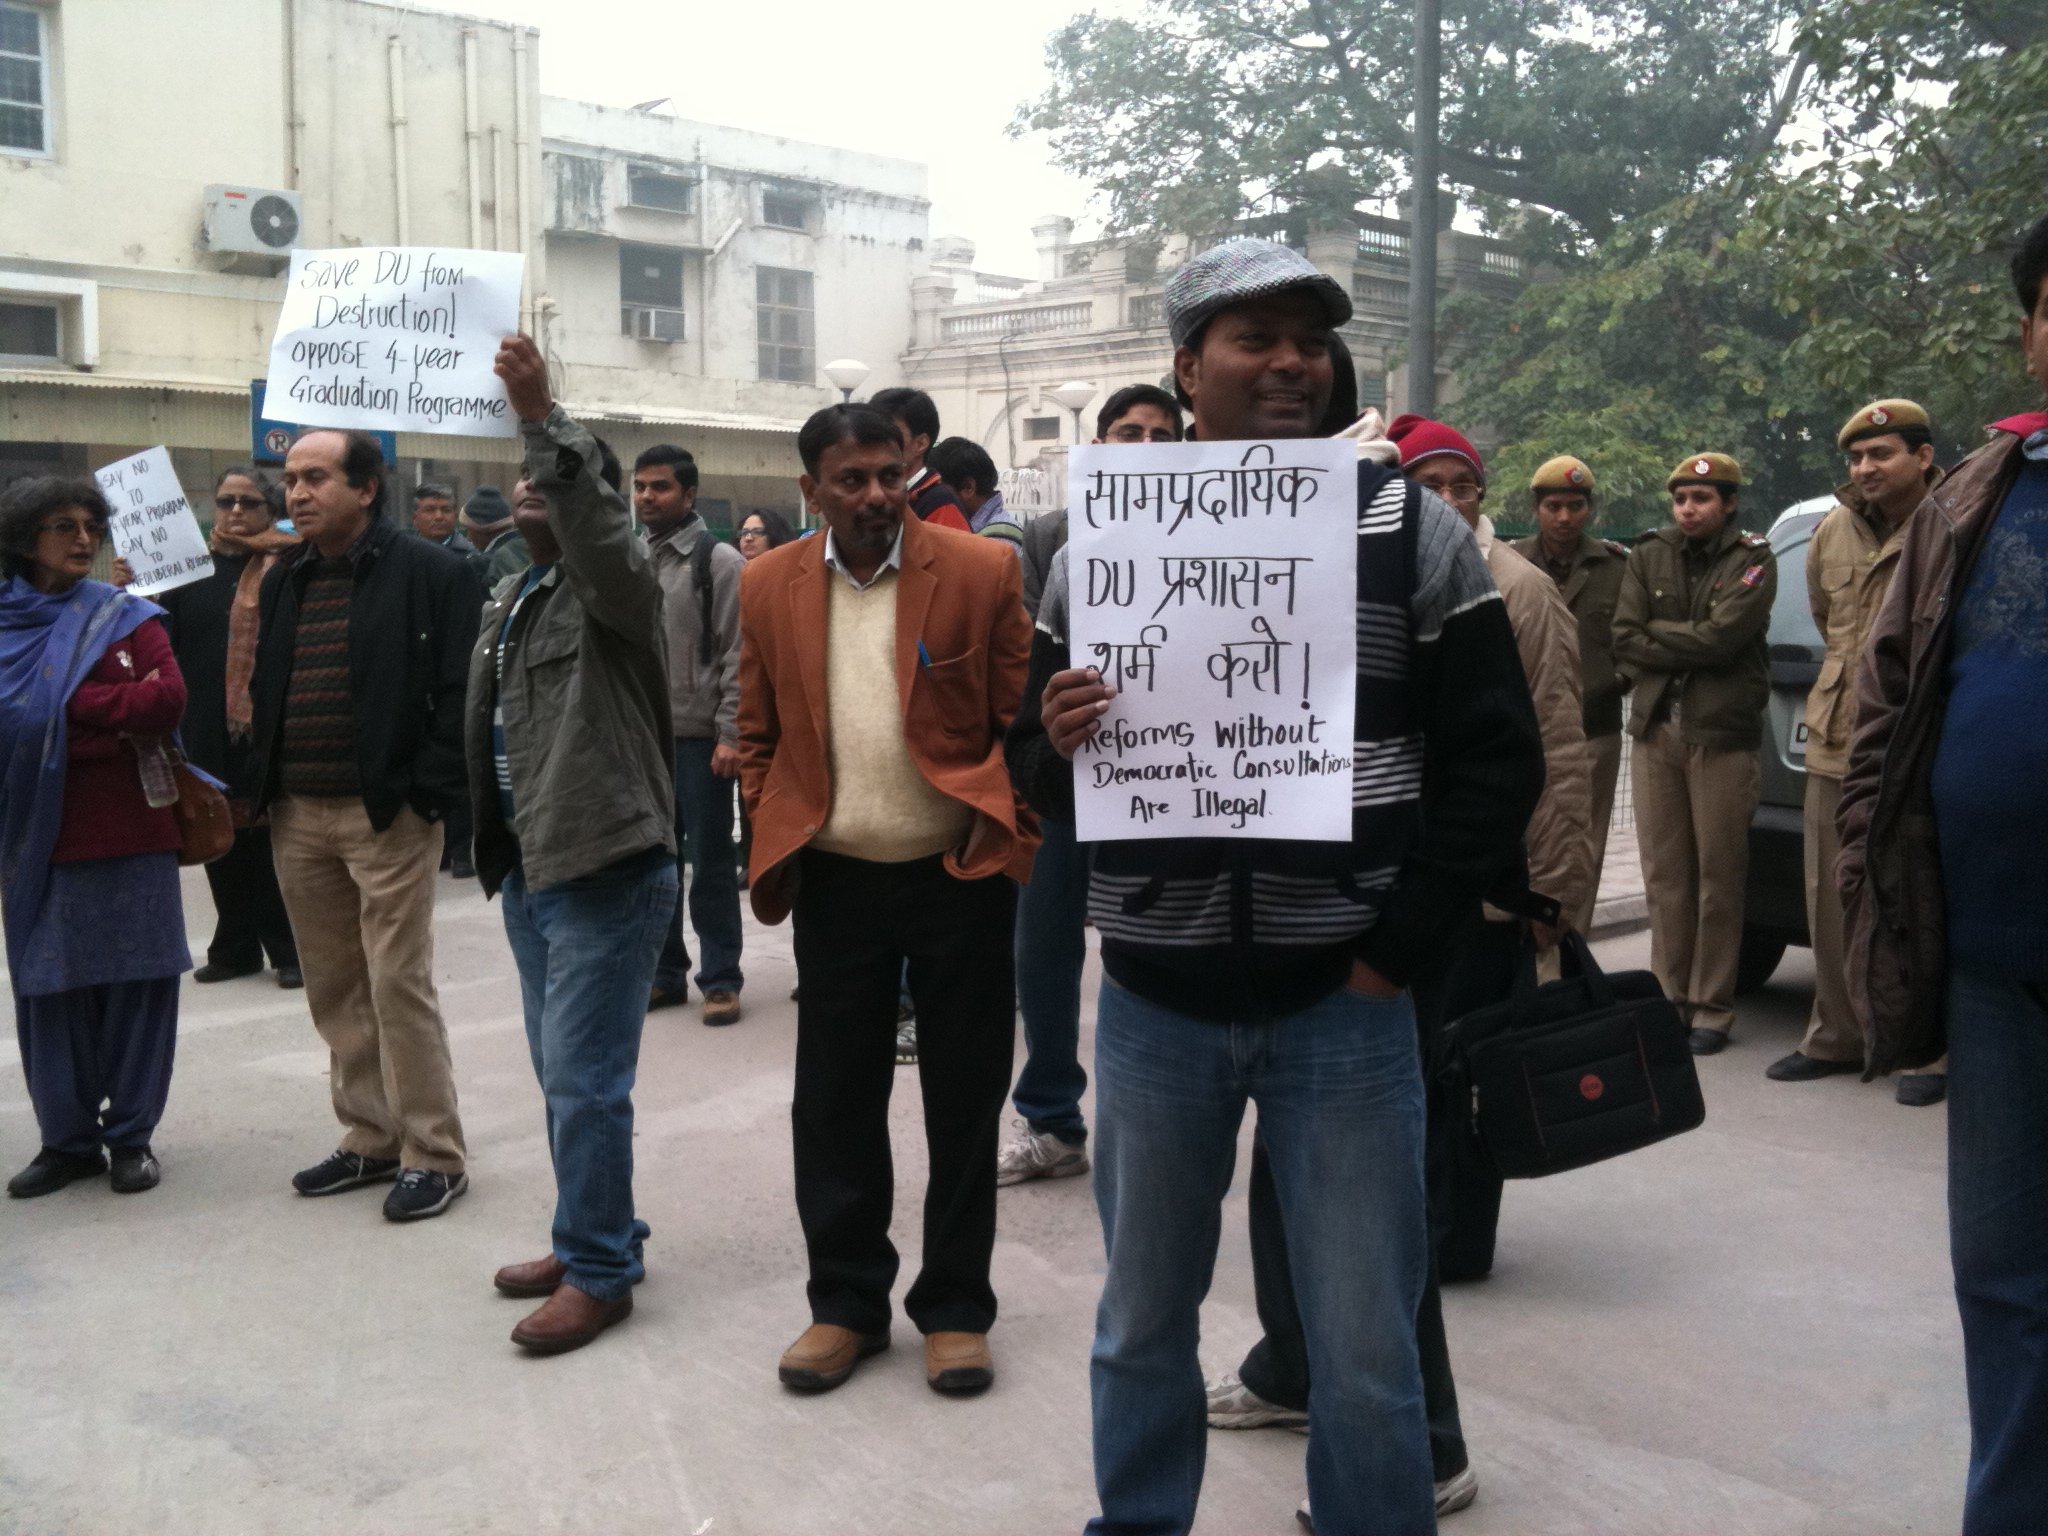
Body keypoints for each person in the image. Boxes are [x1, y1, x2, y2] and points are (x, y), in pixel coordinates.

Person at [1009, 238, 1542, 1536]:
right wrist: (1057, 739)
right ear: (1188, 365)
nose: (1292, 361)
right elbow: (1035, 779)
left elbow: (1497, 762)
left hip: (1345, 1012)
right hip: (1153, 1009)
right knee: (1142, 1323)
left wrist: (1393, 951)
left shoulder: (1409, 531)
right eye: (1257, 337)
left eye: (1311, 339)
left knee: (1365, 1343)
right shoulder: (1098, 548)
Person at [739, 402, 1036, 1399]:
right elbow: (755, 726)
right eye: (851, 479)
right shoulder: (767, 584)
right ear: (810, 489)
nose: (875, 495)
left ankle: (955, 1311)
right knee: (834, 1102)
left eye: (888, 475)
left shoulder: (981, 571)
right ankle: (846, 1304)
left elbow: (1018, 723)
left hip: (958, 876)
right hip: (834, 880)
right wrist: (771, 815)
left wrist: (1010, 834)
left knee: (964, 1097)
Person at [1838, 214, 2048, 1532]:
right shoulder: (1974, 498)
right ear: (2029, 336)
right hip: (1994, 963)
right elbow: (1886, 705)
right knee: (2003, 1276)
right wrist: (1871, 875)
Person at [468, 337, 678, 1354]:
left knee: (586, 1083)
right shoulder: (516, 596)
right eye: (522, 477)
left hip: (606, 867)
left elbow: (595, 524)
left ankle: (599, 1272)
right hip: (533, 867)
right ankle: (590, 1232)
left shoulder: (616, 589)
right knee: (562, 1077)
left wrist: (540, 417)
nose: (530, 486)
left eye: (549, 479)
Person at [247, 428, 481, 1221]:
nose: (297, 494)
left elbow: (462, 694)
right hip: (298, 812)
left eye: (316, 478)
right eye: (291, 479)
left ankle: (434, 1153)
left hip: (387, 814)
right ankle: (371, 1136)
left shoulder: (435, 572)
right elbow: (267, 682)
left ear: (367, 488)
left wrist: (426, 793)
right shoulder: (286, 578)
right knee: (335, 985)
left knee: (396, 981)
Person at [997, 385, 1182, 1189]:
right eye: (1127, 432)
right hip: (1074, 774)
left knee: (1158, 948)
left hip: (1178, 777)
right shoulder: (1056, 543)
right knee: (1043, 945)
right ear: (1098, 447)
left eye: (1162, 435)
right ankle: (1052, 1118)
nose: (1144, 447)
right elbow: (1034, 658)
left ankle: (1170, 1121)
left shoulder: (1226, 537)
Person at [0, 477, 189, 1199]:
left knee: (140, 986)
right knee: (51, 992)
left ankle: (132, 1138)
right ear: (25, 539)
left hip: (131, 831)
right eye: (62, 526)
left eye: (90, 525)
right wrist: (107, 722)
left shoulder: (126, 616)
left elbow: (167, 700)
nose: (83, 539)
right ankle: (68, 1143)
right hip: (37, 841)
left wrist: (65, 705)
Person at [1768, 399, 1944, 1098]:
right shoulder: (1832, 531)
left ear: (1923, 457)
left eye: (1882, 453)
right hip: (1837, 737)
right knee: (1829, 892)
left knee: (1922, 894)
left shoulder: (1953, 523)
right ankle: (1836, 1035)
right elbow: (1824, 615)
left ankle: (1927, 1050)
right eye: (1857, 457)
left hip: (1923, 740)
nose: (1866, 468)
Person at [1612, 453, 1776, 1055]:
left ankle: (1711, 1008)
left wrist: (1659, 634)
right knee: (1665, 876)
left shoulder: (1754, 558)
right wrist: (1690, 637)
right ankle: (1667, 1000)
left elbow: (1722, 639)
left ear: (1728, 504)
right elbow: (1622, 635)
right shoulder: (1648, 553)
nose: (1688, 509)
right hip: (1657, 728)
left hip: (1721, 734)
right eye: (1681, 498)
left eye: (1702, 498)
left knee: (1718, 876)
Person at [145, 467, 302, 988]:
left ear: (271, 511)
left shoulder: (290, 565)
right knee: (218, 838)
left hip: (271, 728)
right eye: (226, 500)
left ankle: (289, 950)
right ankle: (235, 950)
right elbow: (159, 639)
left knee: (270, 845)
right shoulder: (187, 572)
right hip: (205, 728)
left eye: (248, 502)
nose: (235, 510)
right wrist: (133, 590)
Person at [638, 444, 746, 1026]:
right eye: (640, 486)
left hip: (701, 740)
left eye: (659, 487)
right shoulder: (632, 557)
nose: (646, 497)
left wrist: (730, 732)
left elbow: (739, 654)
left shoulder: (719, 561)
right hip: (643, 740)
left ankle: (721, 977)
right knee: (654, 867)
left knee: (709, 864)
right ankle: (664, 974)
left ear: (689, 493)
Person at [1511, 456, 1632, 935]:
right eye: (1554, 506)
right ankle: (1523, 946)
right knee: (1524, 840)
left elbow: (1635, 640)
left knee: (1585, 845)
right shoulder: (1511, 563)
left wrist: (1614, 682)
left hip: (1594, 728)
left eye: (1575, 506)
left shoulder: (1618, 567)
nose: (1564, 517)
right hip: (1524, 727)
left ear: (1589, 509)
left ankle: (1572, 948)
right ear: (1536, 509)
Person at [868, 386, 972, 532]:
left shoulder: (940, 505)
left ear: (921, 444)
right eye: (871, 434)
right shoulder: (875, 497)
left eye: (889, 434)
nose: (875, 443)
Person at [927, 437, 1022, 550]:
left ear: (968, 487)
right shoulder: (976, 532)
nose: (931, 497)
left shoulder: (999, 540)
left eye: (937, 489)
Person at [461, 484, 531, 590]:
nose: (468, 538)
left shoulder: (484, 564)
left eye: (468, 530)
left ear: (483, 530)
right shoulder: (531, 546)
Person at [411, 482, 465, 550]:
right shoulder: (402, 552)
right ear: (415, 518)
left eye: (446, 510)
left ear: (456, 517)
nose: (439, 517)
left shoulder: (471, 554)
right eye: (429, 510)